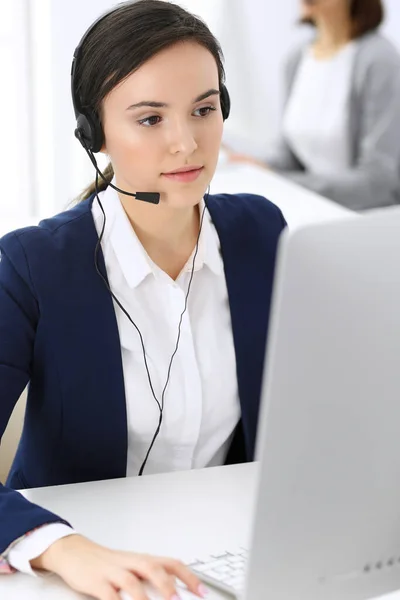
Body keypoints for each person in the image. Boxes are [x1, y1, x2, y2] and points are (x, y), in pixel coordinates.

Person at [0, 1, 286, 599]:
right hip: (84, 558)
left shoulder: (260, 233)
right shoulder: (31, 265)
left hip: (230, 551)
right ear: (94, 134)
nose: (187, 143)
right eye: (151, 119)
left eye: (204, 109)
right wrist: (60, 547)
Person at [227, 0, 400, 211]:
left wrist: (280, 179)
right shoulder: (297, 58)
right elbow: (290, 157)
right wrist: (252, 164)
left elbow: (379, 183)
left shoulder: (379, 60)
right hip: (314, 208)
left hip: (365, 219)